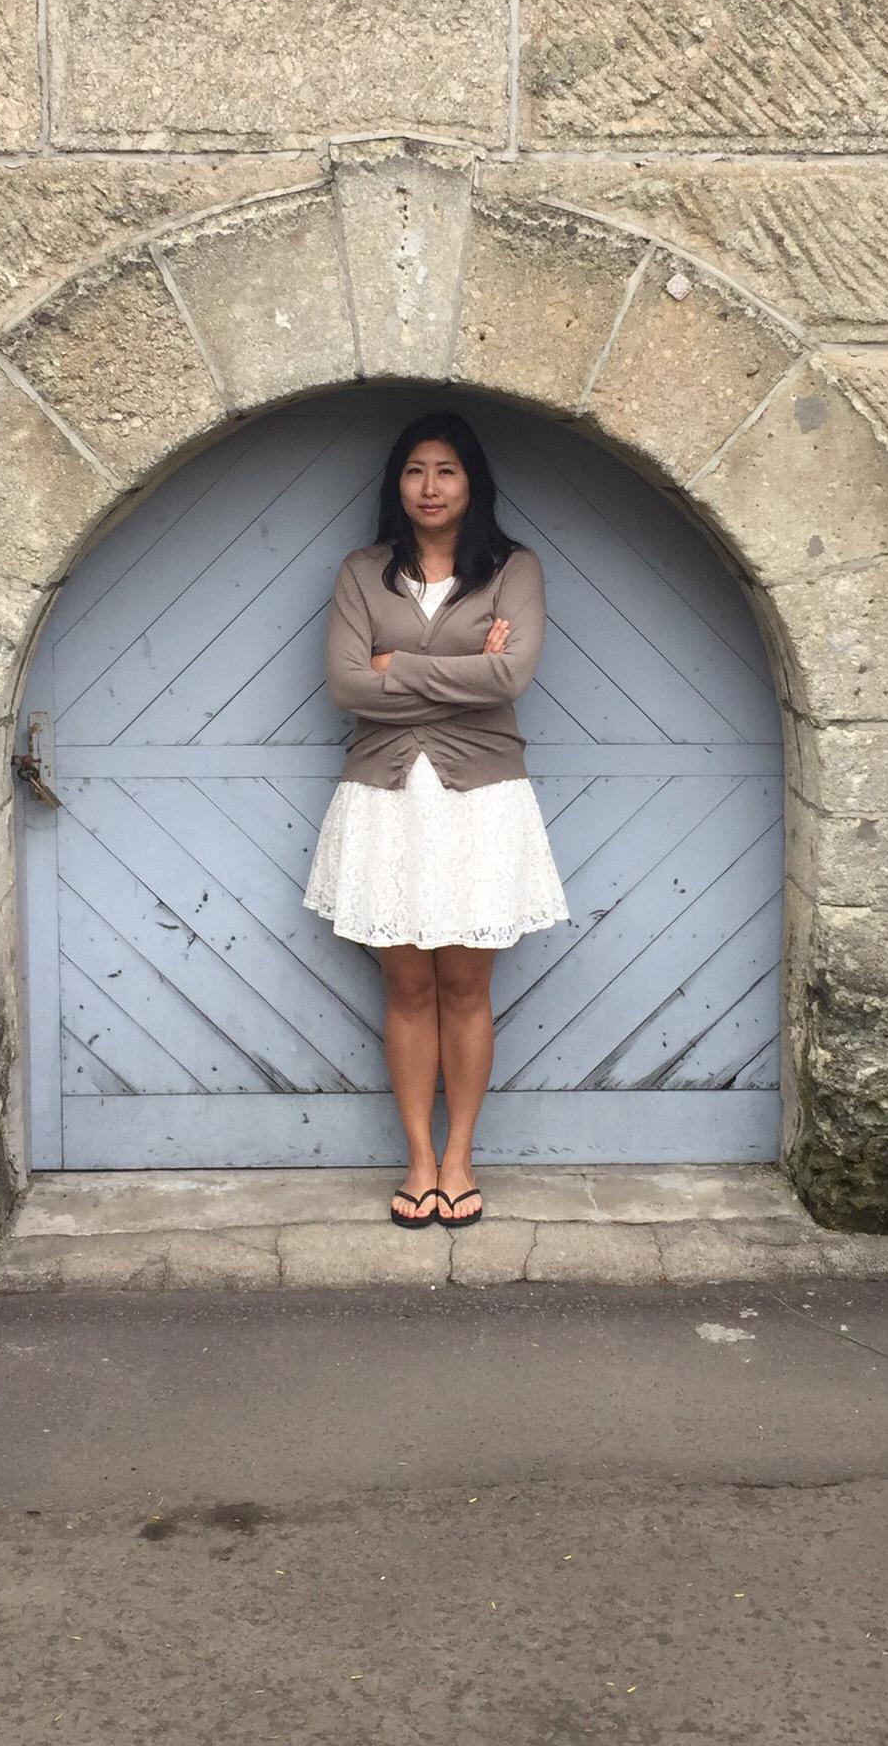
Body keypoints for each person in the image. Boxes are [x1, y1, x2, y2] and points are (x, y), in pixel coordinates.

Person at [303, 409, 571, 1232]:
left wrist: (399, 666)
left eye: (445, 470)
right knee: (407, 984)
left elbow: (511, 676)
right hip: (385, 800)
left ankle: (461, 1160)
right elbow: (347, 685)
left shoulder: (513, 569)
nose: (429, 486)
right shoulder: (361, 572)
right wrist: (462, 667)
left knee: (466, 984)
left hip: (482, 799)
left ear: (471, 482)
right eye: (415, 470)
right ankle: (418, 1159)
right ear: (398, 483)